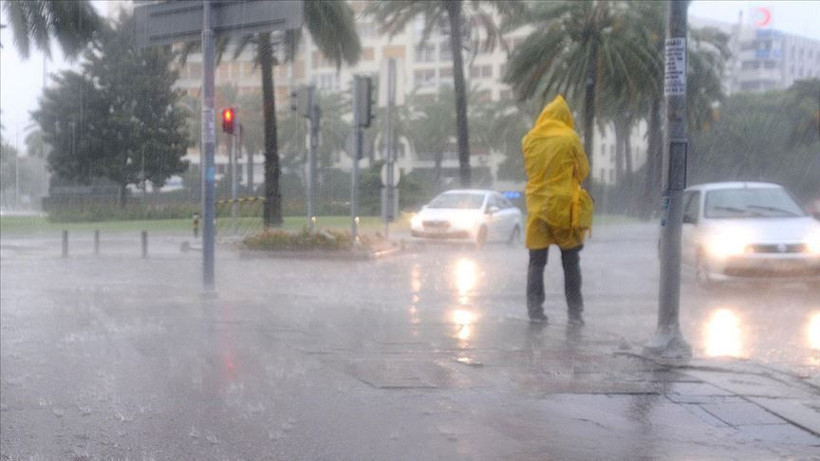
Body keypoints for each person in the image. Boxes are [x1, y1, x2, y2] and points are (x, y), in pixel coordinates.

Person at [522, 95, 594, 325]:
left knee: (536, 262)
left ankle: (535, 311)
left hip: (537, 208)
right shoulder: (570, 137)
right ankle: (575, 314)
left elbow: (531, 168)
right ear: (565, 117)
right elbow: (583, 171)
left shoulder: (530, 138)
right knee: (570, 261)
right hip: (564, 209)